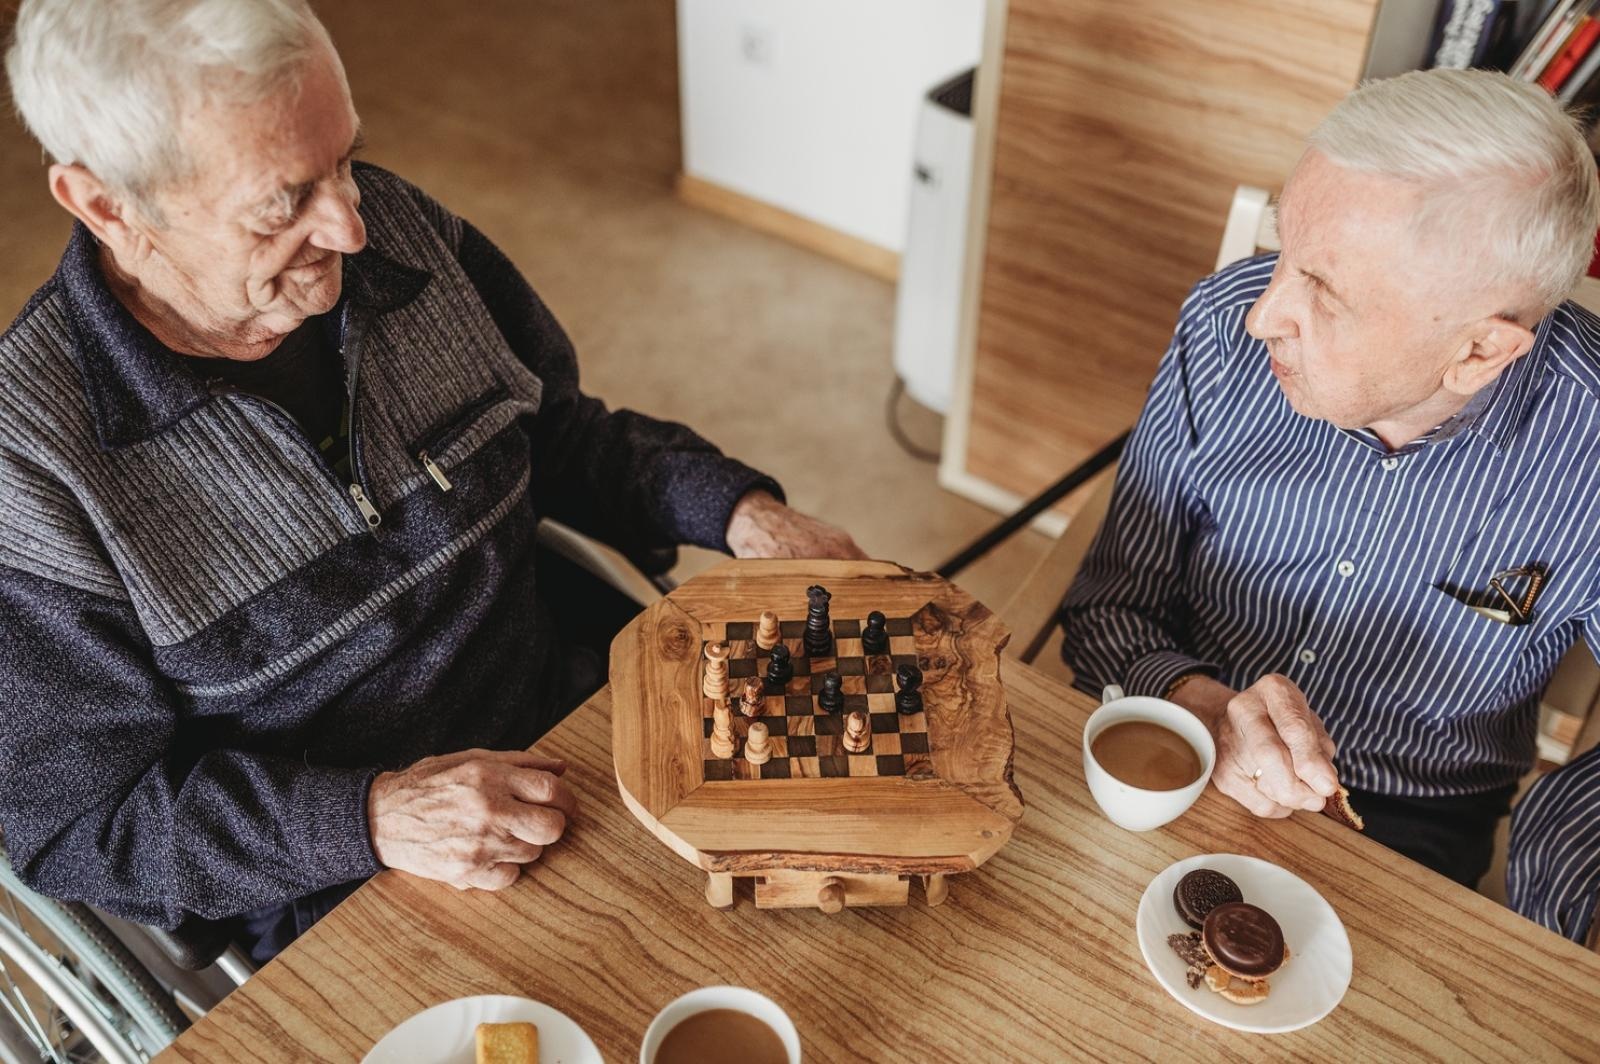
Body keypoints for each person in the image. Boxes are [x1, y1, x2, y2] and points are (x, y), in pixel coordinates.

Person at [0, 0, 865, 960]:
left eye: (346, 160)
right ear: (107, 205)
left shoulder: (400, 229)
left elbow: (557, 435)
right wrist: (374, 817)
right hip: (352, 889)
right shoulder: (30, 470)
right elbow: (85, 831)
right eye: (285, 200)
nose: (353, 226)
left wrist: (742, 513)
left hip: (574, 732)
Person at [1060, 67, 1600, 944]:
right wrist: (1203, 706)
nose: (1262, 315)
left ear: (1478, 352)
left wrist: (1561, 870)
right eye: (1284, 251)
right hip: (1182, 734)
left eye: (1328, 294)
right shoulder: (1220, 326)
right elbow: (1109, 607)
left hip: (1410, 820)